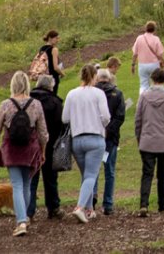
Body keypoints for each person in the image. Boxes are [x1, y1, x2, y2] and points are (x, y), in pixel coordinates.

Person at [0, 71, 49, 237]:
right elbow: (43, 132)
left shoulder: (5, 104)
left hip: (11, 148)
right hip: (30, 148)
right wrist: (43, 150)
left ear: (13, 84)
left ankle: (21, 221)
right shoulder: (36, 104)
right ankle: (25, 217)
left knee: (16, 184)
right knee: (26, 184)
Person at [62, 64, 110, 223]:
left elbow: (65, 118)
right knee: (91, 175)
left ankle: (89, 209)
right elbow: (106, 116)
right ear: (94, 76)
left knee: (86, 175)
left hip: (77, 140)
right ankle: (80, 207)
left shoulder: (71, 94)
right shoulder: (99, 93)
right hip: (95, 138)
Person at [135, 67, 164, 217]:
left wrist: (139, 138)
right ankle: (162, 204)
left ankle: (144, 204)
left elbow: (138, 120)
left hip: (147, 140)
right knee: (163, 174)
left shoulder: (143, 97)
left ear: (153, 79)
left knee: (147, 173)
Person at [26, 74, 63, 221]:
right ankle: (53, 207)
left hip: (31, 145)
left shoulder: (28, 100)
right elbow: (60, 125)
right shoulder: (55, 102)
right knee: (51, 178)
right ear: (50, 86)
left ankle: (29, 211)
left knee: (32, 179)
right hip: (51, 145)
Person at [92, 68, 126, 216]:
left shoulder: (91, 93)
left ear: (97, 78)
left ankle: (91, 200)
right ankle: (108, 204)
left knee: (92, 170)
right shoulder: (117, 94)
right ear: (110, 78)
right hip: (111, 138)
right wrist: (109, 131)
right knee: (109, 171)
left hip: (94, 135)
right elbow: (120, 117)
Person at [131, 21, 164, 95]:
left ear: (145, 28)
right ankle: (156, 99)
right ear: (154, 29)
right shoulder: (156, 39)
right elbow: (160, 54)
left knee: (143, 84)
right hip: (154, 64)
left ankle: (142, 100)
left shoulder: (139, 38)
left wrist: (133, 65)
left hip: (142, 64)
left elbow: (135, 54)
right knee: (156, 83)